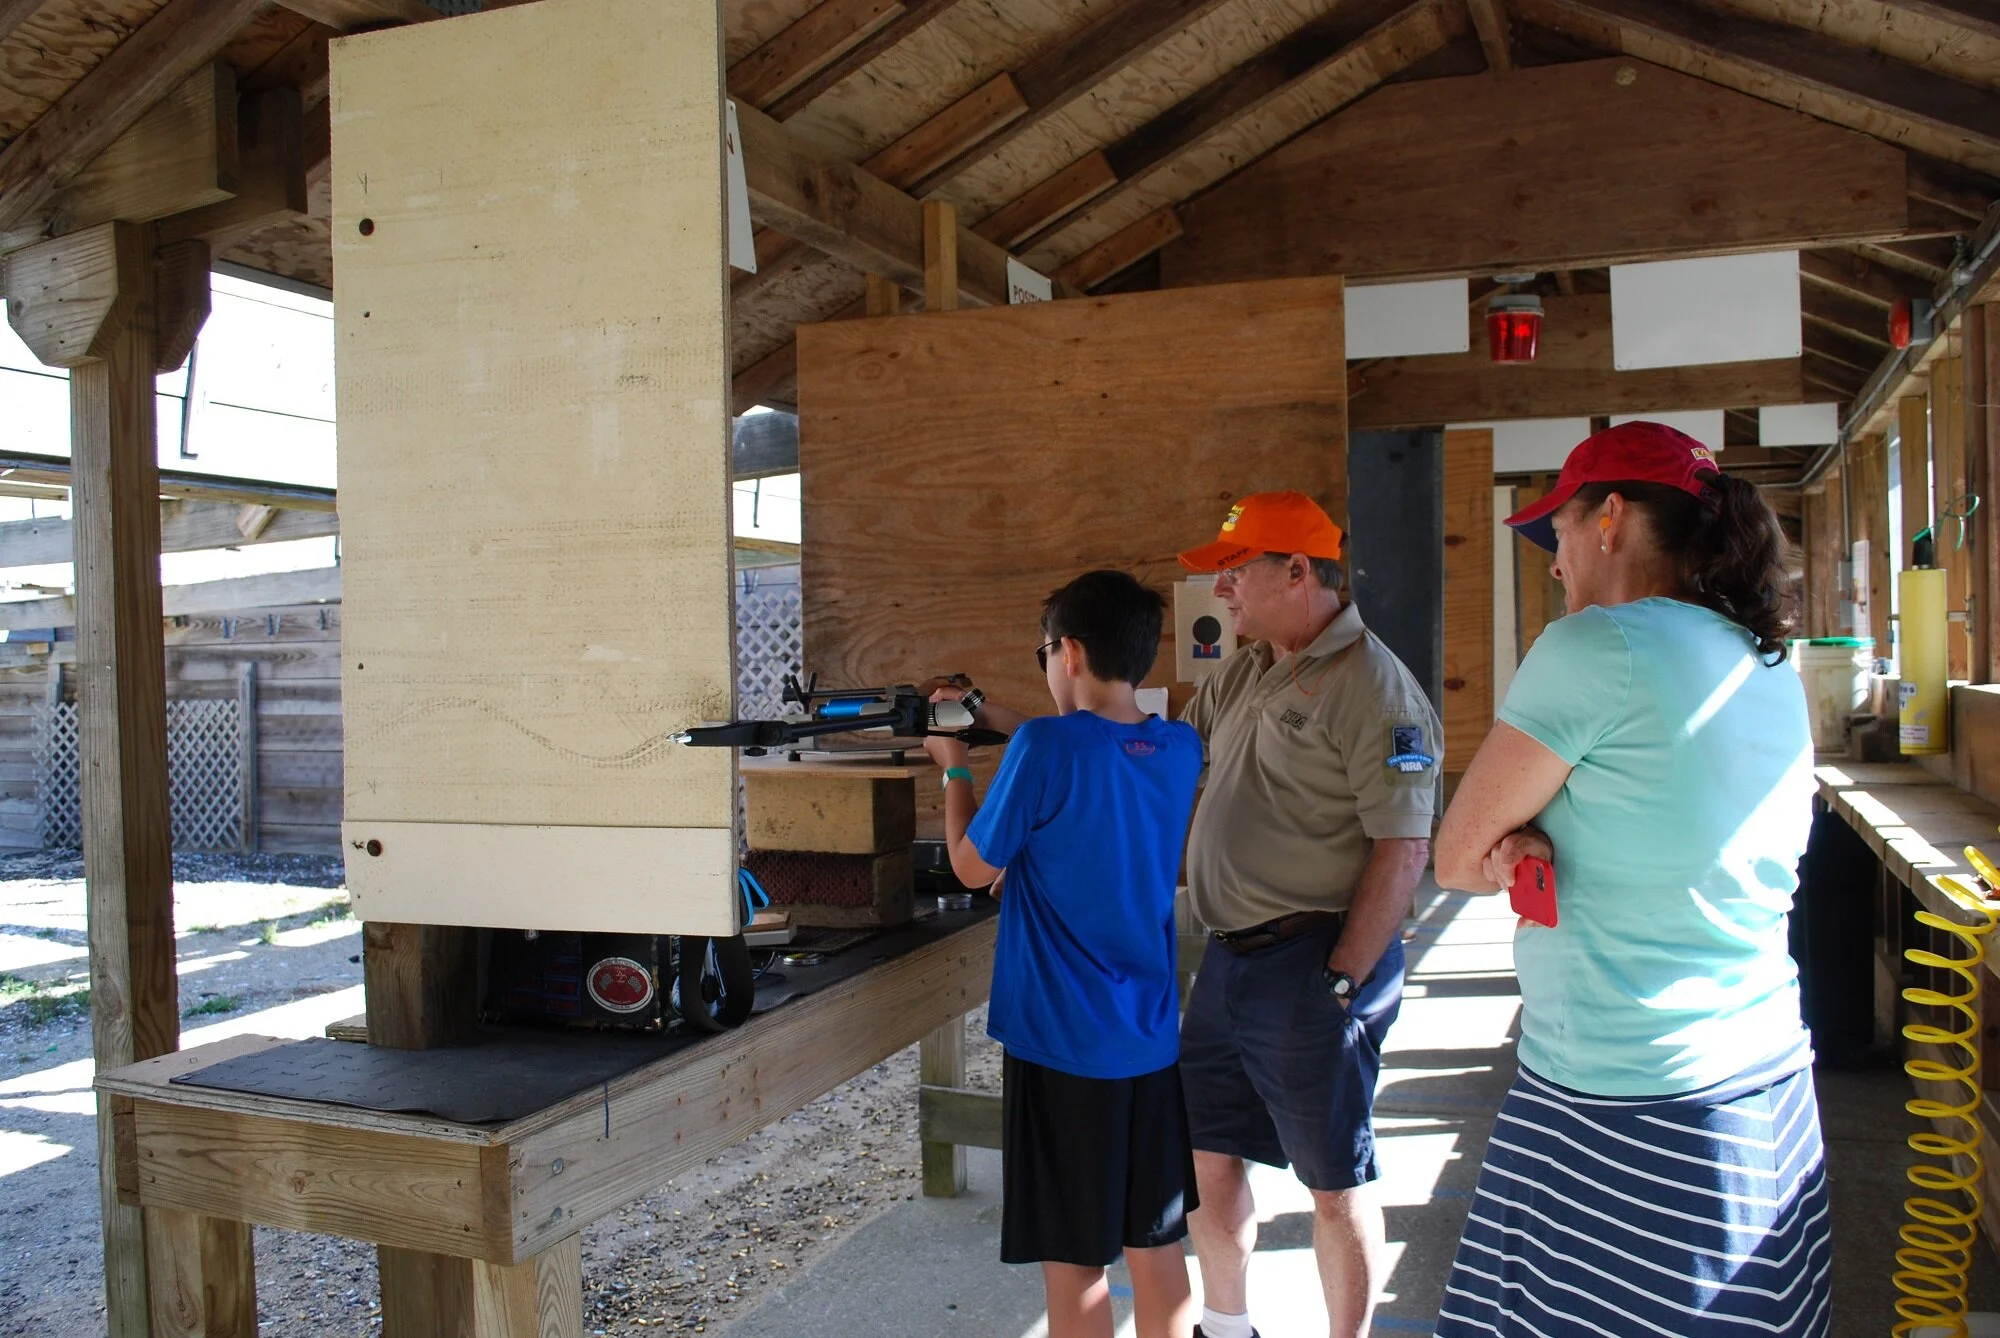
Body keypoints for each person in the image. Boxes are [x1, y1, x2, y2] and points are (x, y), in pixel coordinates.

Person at [1431, 421, 1832, 1337]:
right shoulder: (1764, 663)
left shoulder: (1595, 648)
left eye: (1559, 534)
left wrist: (1510, 838)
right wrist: (1526, 831)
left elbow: (1455, 856)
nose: (1553, 563)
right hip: (1762, 1087)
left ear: (1609, 519)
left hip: (1624, 1111)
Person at [1172, 491, 1441, 1338]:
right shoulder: (1252, 667)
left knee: (1332, 1180)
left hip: (1311, 960)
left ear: (1296, 570)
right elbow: (1171, 754)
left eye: (1235, 570)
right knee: (1209, 1151)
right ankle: (1226, 1325)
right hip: (1228, 961)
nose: (1223, 591)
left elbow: (1403, 848)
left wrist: (1339, 983)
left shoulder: (1373, 685)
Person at [924, 569, 1205, 1338]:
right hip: (1146, 1039)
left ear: (1069, 651)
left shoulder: (1045, 747)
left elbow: (972, 866)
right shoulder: (1178, 746)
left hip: (1061, 1044)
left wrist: (952, 763)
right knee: (1155, 1240)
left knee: (1075, 1259)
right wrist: (987, 713)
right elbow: (1089, 751)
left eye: (1046, 650)